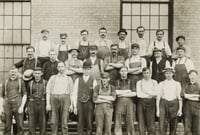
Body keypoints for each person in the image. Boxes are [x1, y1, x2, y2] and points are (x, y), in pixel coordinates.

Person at [46, 61, 74, 135]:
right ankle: (54, 133)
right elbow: (48, 91)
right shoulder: (53, 78)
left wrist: (71, 104)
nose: (61, 68)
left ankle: (64, 133)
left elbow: (71, 93)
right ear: (57, 68)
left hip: (65, 98)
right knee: (53, 120)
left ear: (65, 67)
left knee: (64, 119)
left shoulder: (69, 78)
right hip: (54, 98)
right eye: (59, 67)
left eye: (62, 66)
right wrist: (48, 104)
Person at [72, 61, 97, 135]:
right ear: (83, 70)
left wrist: (95, 106)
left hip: (89, 104)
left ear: (90, 70)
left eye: (88, 69)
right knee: (80, 121)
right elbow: (75, 93)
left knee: (89, 121)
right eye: (85, 69)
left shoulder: (93, 80)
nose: (87, 71)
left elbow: (95, 94)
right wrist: (75, 106)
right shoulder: (77, 80)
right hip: (80, 103)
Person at [0, 67, 27, 135]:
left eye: (15, 72)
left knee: (20, 125)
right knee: (7, 125)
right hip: (7, 104)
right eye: (12, 72)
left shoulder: (21, 81)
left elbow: (24, 95)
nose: (13, 74)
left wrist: (22, 106)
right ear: (9, 73)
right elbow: (1, 96)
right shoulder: (5, 82)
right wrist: (1, 108)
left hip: (18, 103)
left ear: (17, 73)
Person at [156, 67, 182, 135]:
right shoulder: (161, 84)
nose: (168, 75)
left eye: (170, 73)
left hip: (174, 104)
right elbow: (158, 97)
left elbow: (179, 97)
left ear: (173, 74)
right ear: (164, 74)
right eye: (166, 73)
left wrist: (180, 110)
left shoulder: (177, 84)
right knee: (162, 125)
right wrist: (158, 110)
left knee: (173, 125)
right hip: (164, 104)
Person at [114, 66, 137, 135]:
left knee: (130, 119)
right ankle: (118, 133)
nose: (123, 72)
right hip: (119, 102)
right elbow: (115, 92)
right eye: (122, 71)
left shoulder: (132, 81)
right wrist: (127, 91)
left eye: (125, 71)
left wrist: (121, 94)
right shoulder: (116, 81)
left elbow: (134, 93)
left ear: (127, 72)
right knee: (118, 119)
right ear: (119, 72)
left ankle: (131, 133)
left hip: (129, 102)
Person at [136, 67, 158, 135]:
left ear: (150, 73)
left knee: (151, 121)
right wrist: (150, 94)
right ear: (142, 74)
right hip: (141, 102)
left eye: (148, 73)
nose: (146, 74)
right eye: (144, 73)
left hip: (151, 102)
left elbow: (156, 93)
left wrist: (146, 92)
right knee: (141, 121)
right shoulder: (139, 82)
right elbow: (139, 94)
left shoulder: (154, 82)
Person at [27, 67, 46, 135]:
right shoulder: (30, 83)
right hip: (32, 103)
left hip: (42, 103)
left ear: (41, 74)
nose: (37, 75)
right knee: (31, 121)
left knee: (43, 121)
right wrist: (27, 106)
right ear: (33, 74)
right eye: (35, 73)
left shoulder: (45, 82)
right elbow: (27, 95)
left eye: (38, 73)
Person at [183, 70, 200, 135]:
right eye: (191, 75)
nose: (192, 77)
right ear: (189, 76)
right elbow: (184, 95)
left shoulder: (199, 86)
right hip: (187, 108)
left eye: (194, 75)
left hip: (197, 109)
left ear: (197, 76)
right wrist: (196, 96)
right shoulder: (186, 85)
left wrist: (189, 96)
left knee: (197, 128)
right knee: (187, 128)